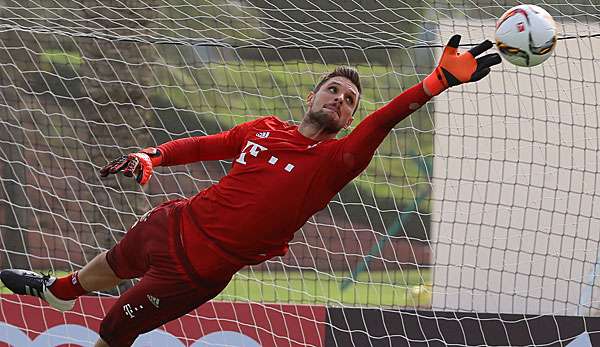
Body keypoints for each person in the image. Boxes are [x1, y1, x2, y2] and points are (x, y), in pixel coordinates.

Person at [1, 35, 500, 346]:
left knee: (113, 329)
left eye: (349, 101)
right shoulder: (262, 128)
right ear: (312, 95)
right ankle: (59, 291)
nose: (340, 100)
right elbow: (203, 145)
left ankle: (67, 296)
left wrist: (433, 84)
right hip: (173, 220)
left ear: (348, 119)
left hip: (194, 272)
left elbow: (385, 119)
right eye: (333, 90)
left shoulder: (337, 161)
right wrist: (152, 155)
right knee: (110, 265)